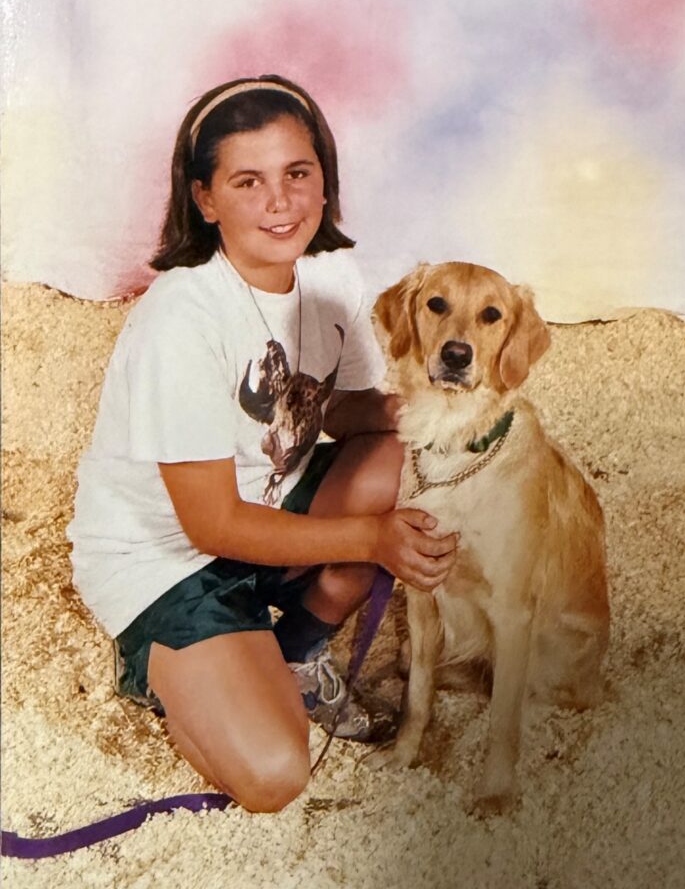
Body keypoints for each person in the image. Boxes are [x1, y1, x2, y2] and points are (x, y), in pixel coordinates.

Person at [67, 74, 458, 813]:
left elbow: (338, 408)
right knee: (276, 775)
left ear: (324, 181)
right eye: (248, 182)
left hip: (270, 502)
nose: (280, 202)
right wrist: (372, 538)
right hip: (167, 557)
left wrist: (441, 414)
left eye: (297, 174)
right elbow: (211, 525)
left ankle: (294, 650)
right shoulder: (180, 319)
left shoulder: (332, 273)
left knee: (400, 459)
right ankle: (168, 664)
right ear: (205, 199)